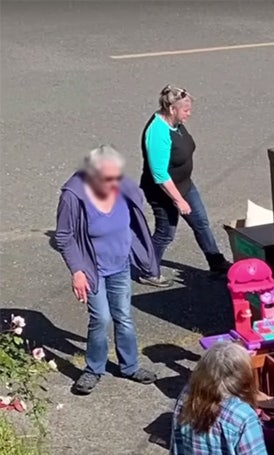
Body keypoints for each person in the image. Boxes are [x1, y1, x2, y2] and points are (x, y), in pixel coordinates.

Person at [53, 145, 159, 396]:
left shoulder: (119, 183)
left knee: (123, 315)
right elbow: (64, 236)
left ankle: (130, 366)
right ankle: (93, 369)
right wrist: (77, 270)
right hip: (93, 268)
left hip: (120, 263)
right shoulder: (73, 195)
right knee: (101, 317)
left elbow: (138, 200)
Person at [139, 85, 231, 285]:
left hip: (184, 184)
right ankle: (149, 271)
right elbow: (160, 174)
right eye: (186, 110)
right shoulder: (157, 132)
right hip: (163, 192)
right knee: (165, 233)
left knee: (201, 223)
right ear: (172, 109)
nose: (189, 114)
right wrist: (178, 200)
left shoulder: (176, 123)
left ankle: (216, 262)